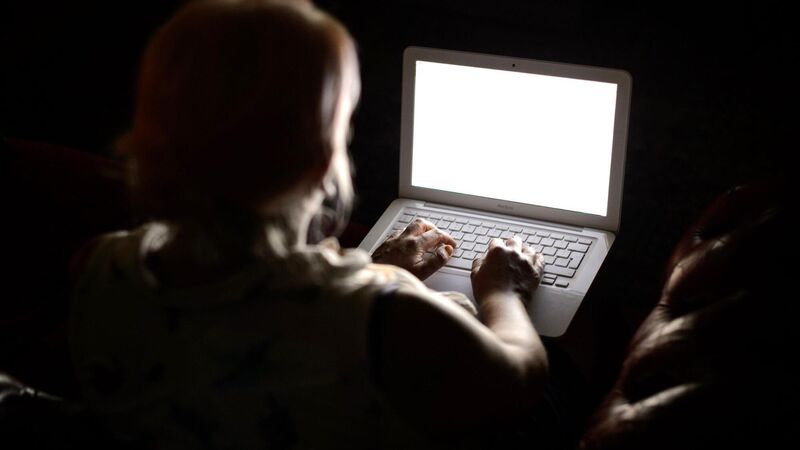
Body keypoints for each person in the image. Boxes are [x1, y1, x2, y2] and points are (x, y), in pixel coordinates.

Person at [69, 0, 559, 448]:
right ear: (322, 158)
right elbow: (521, 378)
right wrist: (503, 292)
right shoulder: (386, 318)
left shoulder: (97, 269)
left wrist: (378, 271)